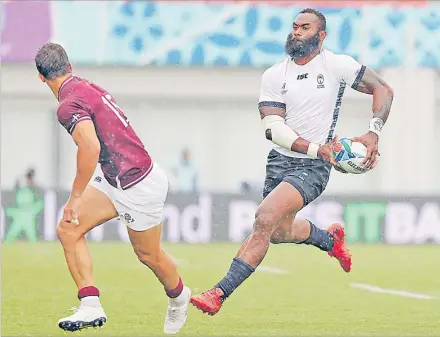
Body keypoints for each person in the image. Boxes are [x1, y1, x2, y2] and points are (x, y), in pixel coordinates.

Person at [190, 8, 394, 315]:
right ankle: (329, 240)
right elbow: (273, 128)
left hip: (313, 168)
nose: (296, 32)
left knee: (264, 218)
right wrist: (317, 148)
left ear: (320, 35)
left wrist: (373, 132)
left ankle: (218, 292)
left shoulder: (337, 65)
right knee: (278, 232)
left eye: (305, 27)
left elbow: (383, 88)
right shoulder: (274, 75)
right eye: (295, 26)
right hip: (283, 160)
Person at [34, 43, 191, 334]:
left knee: (149, 256)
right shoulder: (85, 86)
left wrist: (75, 197)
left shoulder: (67, 105)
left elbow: (90, 148)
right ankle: (90, 304)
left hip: (137, 184)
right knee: (69, 229)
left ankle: (179, 297)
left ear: (41, 77)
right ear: (69, 66)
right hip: (114, 176)